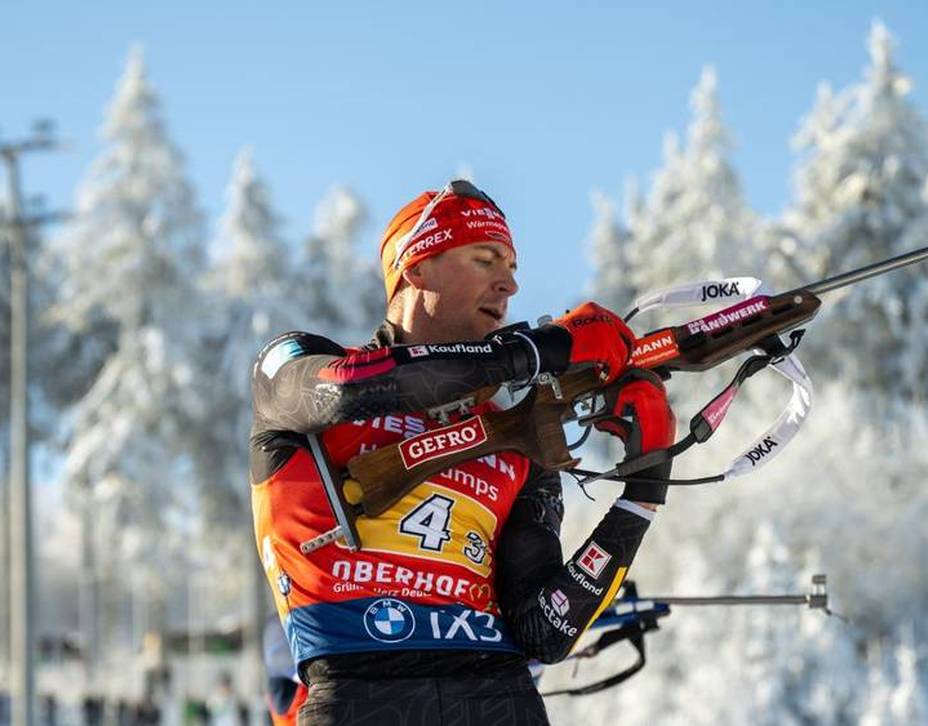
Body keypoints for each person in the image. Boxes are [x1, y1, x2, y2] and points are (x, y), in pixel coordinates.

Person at [250, 179, 673, 725]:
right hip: (362, 690)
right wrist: (530, 352)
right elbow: (345, 389)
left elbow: (545, 631)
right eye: (485, 259)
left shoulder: (516, 430)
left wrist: (644, 491)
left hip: (500, 696)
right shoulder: (297, 367)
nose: (510, 284)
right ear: (415, 268)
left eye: (512, 266)